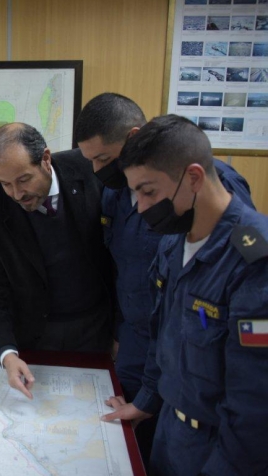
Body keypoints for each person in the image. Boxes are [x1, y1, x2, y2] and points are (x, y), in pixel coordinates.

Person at [74, 93, 253, 465]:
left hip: (213, 418)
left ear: (193, 179)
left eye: (148, 192)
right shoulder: (157, 229)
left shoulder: (248, 254)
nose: (139, 206)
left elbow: (253, 400)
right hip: (160, 389)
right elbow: (158, 318)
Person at [0, 122, 116, 399]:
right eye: (5, 184)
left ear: (45, 159)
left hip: (96, 327)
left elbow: (122, 262)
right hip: (34, 336)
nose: (16, 194)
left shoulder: (90, 170)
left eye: (24, 180)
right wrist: (6, 354)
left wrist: (122, 332)